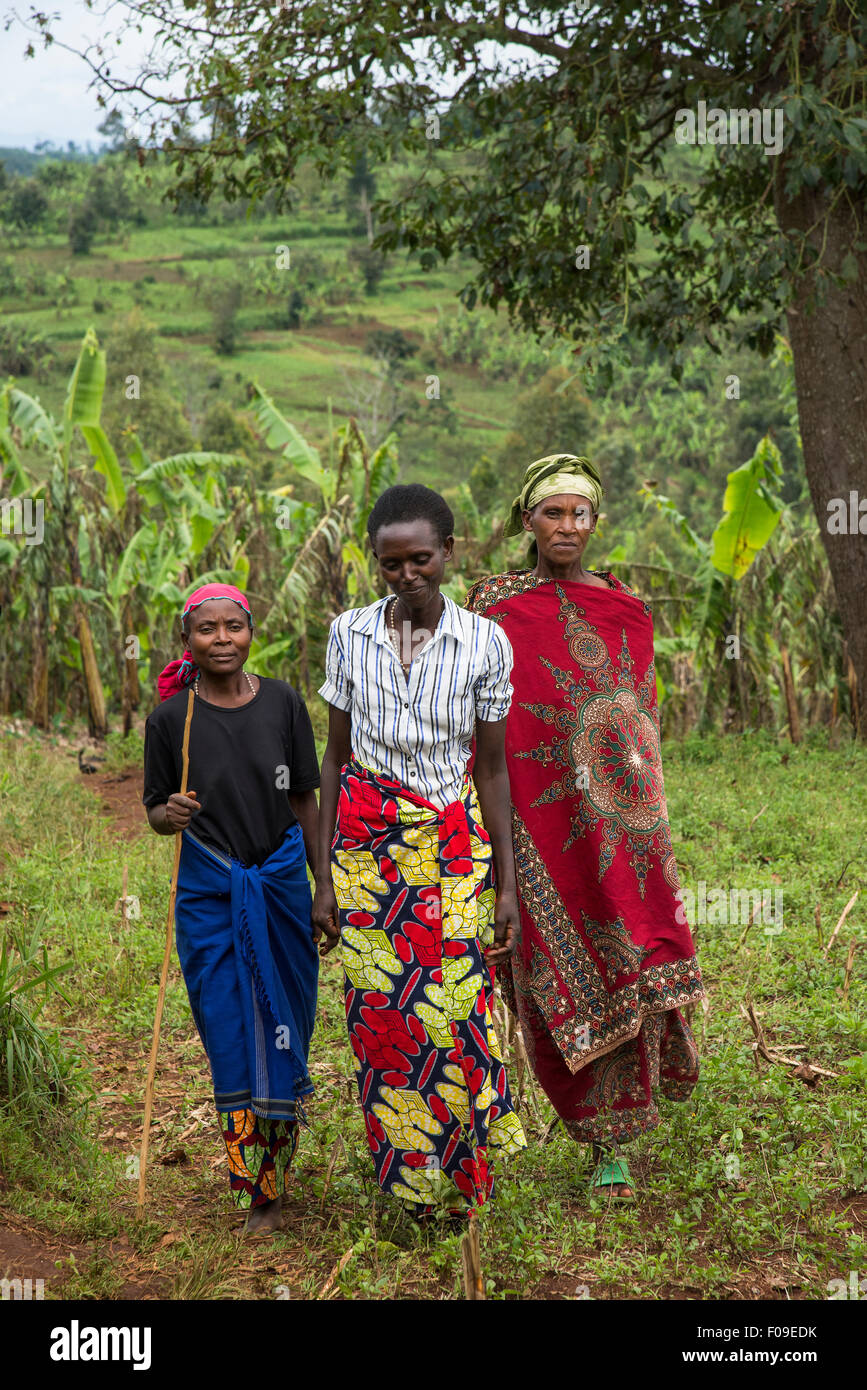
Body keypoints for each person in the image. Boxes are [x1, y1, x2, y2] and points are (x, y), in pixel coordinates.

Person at [465, 455, 705, 1201]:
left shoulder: (626, 609)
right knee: (557, 964)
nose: (566, 527)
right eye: (551, 513)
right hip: (537, 824)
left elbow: (640, 713)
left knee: (633, 949)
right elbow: (479, 715)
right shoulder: (494, 607)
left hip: (625, 821)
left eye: (579, 514)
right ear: (526, 521)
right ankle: (598, 1135)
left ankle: (622, 1140)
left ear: (595, 523)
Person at [312, 485, 526, 1218]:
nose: (407, 575)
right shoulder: (348, 634)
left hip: (455, 842)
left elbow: (492, 768)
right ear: (375, 563)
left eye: (421, 559)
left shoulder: (486, 643)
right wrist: (325, 880)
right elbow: (334, 757)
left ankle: (467, 1175)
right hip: (368, 848)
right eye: (390, 563)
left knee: (459, 1005)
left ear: (450, 555)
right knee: (383, 1015)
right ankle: (408, 1189)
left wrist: (504, 882)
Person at [143, 582, 321, 1234]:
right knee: (228, 1035)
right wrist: (173, 813)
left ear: (251, 630)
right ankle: (253, 1184)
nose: (221, 640)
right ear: (187, 640)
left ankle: (277, 1165)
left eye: (233, 627)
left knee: (285, 1026)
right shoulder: (171, 720)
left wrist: (320, 883)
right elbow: (155, 809)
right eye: (206, 630)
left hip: (280, 886)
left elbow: (305, 797)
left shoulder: (282, 703)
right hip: (209, 893)